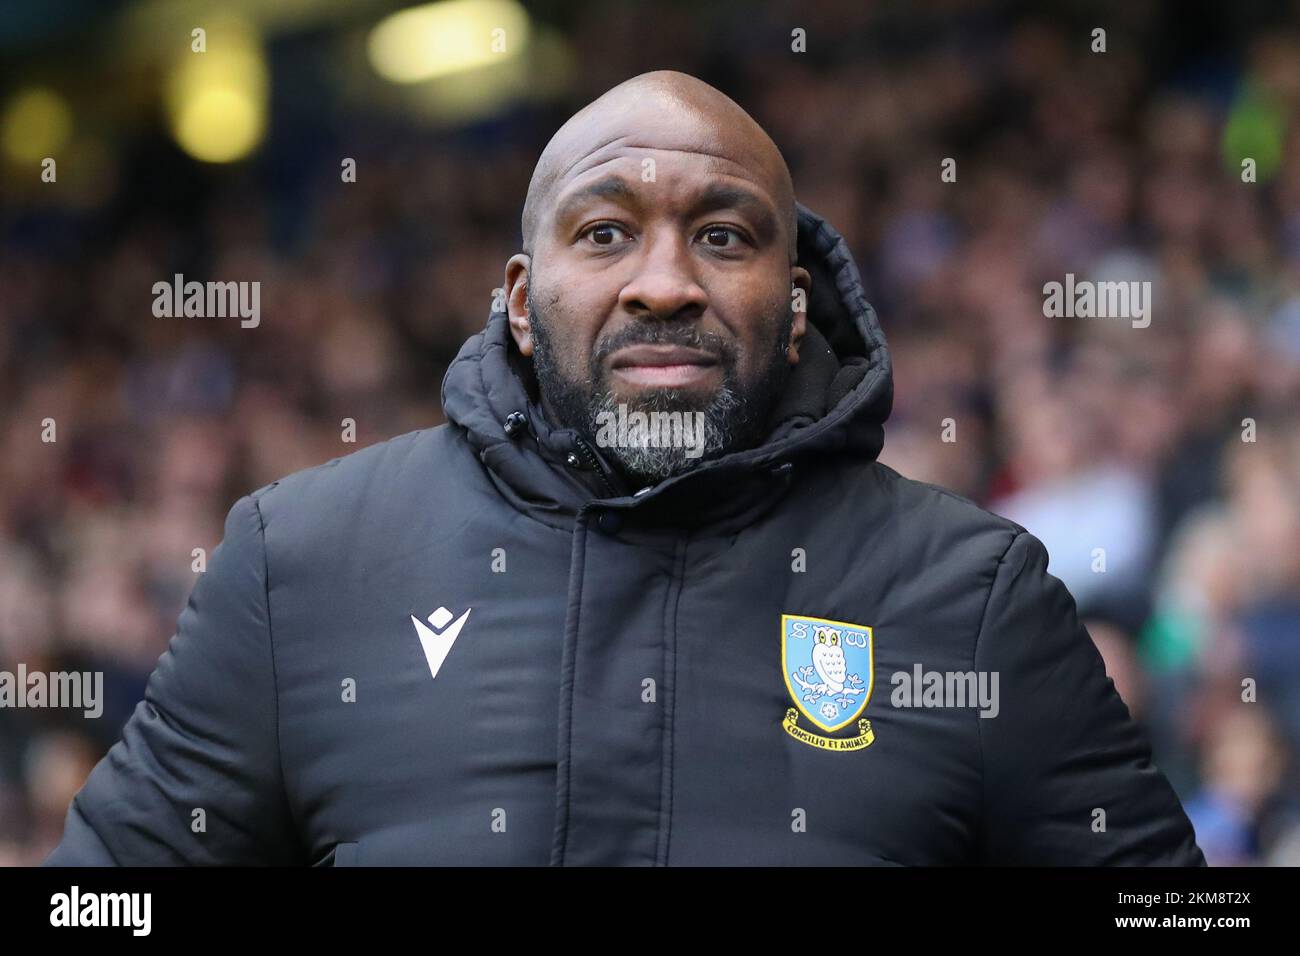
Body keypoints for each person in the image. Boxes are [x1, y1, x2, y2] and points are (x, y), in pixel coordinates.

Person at [45, 70, 1204, 866]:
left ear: (794, 308)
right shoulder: (297, 566)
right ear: (515, 299)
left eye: (724, 234)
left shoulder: (971, 597)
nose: (663, 282)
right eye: (604, 232)